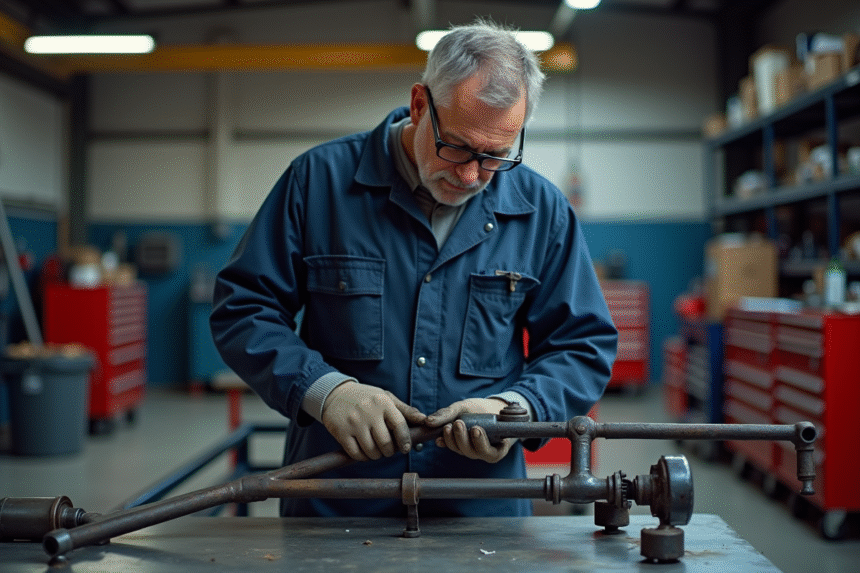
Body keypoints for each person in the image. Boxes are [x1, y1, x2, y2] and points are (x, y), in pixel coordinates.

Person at [210, 18, 617, 518]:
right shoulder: (318, 184)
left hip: (479, 509)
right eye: (458, 148)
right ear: (421, 104)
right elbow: (244, 308)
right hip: (337, 503)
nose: (471, 175)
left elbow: (584, 343)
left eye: (496, 156)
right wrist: (325, 391)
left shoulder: (542, 211)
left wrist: (518, 409)